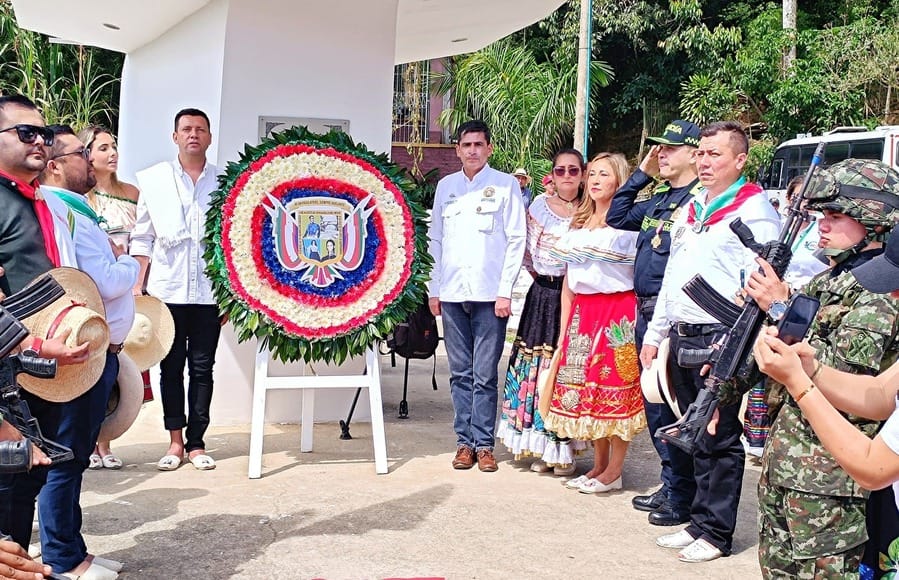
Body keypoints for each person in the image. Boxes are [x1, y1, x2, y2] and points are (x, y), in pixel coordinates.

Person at [743, 159, 899, 578]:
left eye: (835, 216)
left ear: (874, 219)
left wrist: (779, 308)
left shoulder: (878, 290)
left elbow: (859, 384)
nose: (822, 226)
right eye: (821, 216)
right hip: (792, 457)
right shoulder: (833, 278)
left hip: (829, 473)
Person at [643, 121, 781, 563]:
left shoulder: (754, 211)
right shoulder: (692, 207)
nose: (704, 162)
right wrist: (656, 331)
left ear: (740, 160)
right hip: (684, 334)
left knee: (719, 433)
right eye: (700, 153)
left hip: (723, 337)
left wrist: (740, 339)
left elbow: (769, 281)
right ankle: (699, 521)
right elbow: (673, 275)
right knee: (694, 428)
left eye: (714, 155)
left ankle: (717, 531)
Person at [0, 95, 99, 567]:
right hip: (8, 373)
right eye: (25, 133)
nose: (40, 140)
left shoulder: (40, 201)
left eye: (43, 132)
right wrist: (34, 343)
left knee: (26, 482)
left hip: (35, 371)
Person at [38, 124, 139, 579]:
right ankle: (63, 559)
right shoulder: (64, 210)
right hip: (82, 351)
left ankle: (73, 549)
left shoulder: (76, 208)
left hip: (99, 350)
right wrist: (125, 261)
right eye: (82, 153)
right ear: (56, 165)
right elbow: (100, 281)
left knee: (74, 453)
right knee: (66, 454)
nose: (92, 160)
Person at [606, 119, 701, 522]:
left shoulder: (698, 203)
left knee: (678, 407)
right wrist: (641, 173)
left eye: (670, 148)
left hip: (674, 317)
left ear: (695, 153)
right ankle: (671, 484)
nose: (662, 153)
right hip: (645, 312)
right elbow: (617, 213)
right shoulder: (661, 199)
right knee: (656, 406)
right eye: (658, 147)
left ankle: (684, 495)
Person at [541, 152, 645, 492]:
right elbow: (569, 285)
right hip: (584, 315)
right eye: (594, 174)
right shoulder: (578, 225)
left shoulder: (627, 227)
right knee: (589, 392)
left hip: (617, 312)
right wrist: (565, 330)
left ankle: (614, 470)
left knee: (614, 387)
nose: (597, 180)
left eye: (605, 174)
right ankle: (599, 466)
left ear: (619, 180)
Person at [428, 119, 526, 472]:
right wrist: (434, 289)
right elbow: (435, 239)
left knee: (485, 374)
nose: (472, 151)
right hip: (453, 293)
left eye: (478, 145)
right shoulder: (446, 187)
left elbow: (517, 240)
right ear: (457, 149)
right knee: (460, 374)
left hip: (489, 296)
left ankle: (485, 444)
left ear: (489, 148)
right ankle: (464, 443)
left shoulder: (505, 185)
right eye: (466, 145)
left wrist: (505, 292)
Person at [131, 108, 222, 472]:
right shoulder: (156, 181)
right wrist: (138, 287)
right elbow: (143, 237)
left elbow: (234, 240)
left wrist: (231, 294)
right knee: (170, 368)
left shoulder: (223, 181)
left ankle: (198, 443)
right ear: (175, 136)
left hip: (208, 295)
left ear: (210, 137)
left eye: (200, 129)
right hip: (166, 293)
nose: (193, 135)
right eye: (186, 129)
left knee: (203, 369)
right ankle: (175, 441)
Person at [496, 148, 584, 473]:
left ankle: (564, 449)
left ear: (582, 174)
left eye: (572, 171)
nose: (566, 177)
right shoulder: (538, 208)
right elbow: (527, 254)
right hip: (542, 295)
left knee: (565, 368)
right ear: (552, 174)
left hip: (575, 297)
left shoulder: (588, 211)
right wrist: (544, 281)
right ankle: (539, 445)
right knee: (536, 367)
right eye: (559, 171)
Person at [78, 125, 144, 471]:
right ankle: (89, 441)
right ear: (87, 154)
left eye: (114, 146)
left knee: (120, 367)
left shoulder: (132, 193)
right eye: (103, 148)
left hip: (127, 286)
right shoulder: (83, 200)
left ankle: (106, 441)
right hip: (96, 289)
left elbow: (145, 239)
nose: (112, 153)